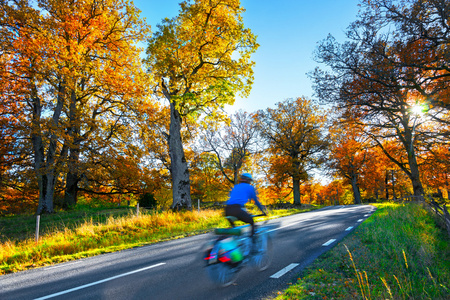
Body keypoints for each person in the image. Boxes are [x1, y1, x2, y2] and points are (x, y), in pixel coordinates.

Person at [225, 173, 267, 238]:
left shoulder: (236, 186)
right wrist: (263, 211)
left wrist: (246, 212)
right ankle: (253, 243)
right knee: (252, 222)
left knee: (234, 230)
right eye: (250, 181)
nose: (250, 182)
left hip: (227, 210)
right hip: (236, 210)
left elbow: (235, 201)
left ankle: (224, 240)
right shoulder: (250, 187)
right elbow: (256, 201)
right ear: (248, 180)